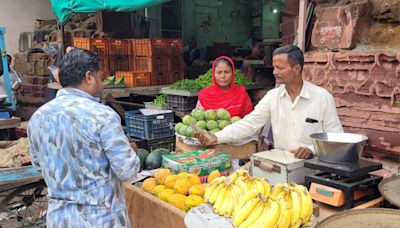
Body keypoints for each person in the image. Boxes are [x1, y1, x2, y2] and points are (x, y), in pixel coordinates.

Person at [28, 48, 140, 227]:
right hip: (100, 219)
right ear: (89, 77)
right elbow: (127, 171)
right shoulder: (103, 115)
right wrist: (132, 152)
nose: (102, 84)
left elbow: (39, 164)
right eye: (101, 77)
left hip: (59, 220)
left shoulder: (38, 117)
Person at [195, 45, 344, 159]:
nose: (274, 72)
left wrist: (311, 149)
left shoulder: (322, 98)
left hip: (314, 167)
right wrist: (217, 137)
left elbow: (336, 138)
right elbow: (250, 123)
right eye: (274, 67)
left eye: (280, 68)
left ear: (296, 69)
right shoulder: (272, 97)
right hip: (281, 165)